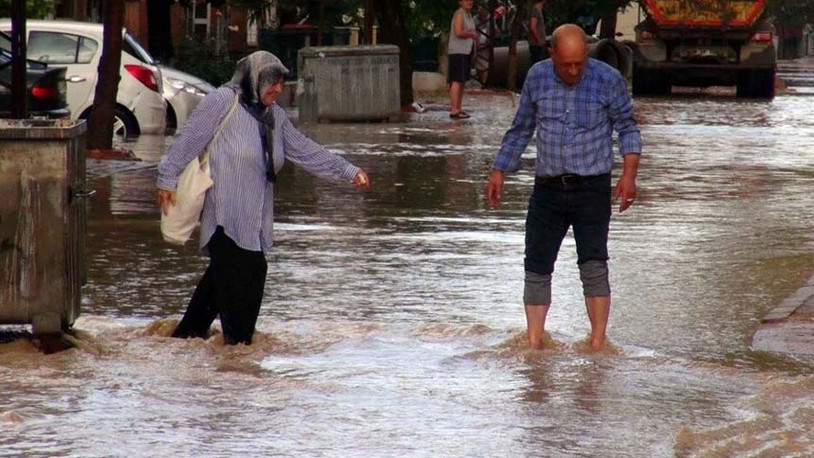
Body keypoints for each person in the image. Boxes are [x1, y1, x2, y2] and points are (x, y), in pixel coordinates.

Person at [156, 51, 370, 345]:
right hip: (225, 218)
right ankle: (239, 363)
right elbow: (189, 139)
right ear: (254, 79)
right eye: (273, 82)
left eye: (282, 83)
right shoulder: (222, 102)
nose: (279, 90)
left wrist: (348, 170)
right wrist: (166, 178)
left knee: (214, 293)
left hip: (255, 222)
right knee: (248, 285)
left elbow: (304, 150)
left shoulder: (274, 117)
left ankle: (179, 344)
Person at [485, 24, 642, 352]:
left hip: (593, 187)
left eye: (578, 64)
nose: (572, 71)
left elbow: (627, 127)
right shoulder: (537, 78)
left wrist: (629, 175)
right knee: (537, 264)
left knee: (594, 264)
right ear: (552, 55)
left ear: (586, 54)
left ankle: (598, 344)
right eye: (565, 64)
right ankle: (533, 344)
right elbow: (521, 128)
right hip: (548, 188)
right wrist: (499, 170)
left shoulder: (608, 80)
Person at [447, 0, 478, 119]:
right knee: (456, 80)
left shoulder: (468, 15)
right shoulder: (459, 13)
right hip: (458, 51)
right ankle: (454, 110)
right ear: (460, 2)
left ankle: (458, 108)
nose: (469, 2)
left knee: (462, 80)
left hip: (466, 51)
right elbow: (458, 31)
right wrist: (471, 34)